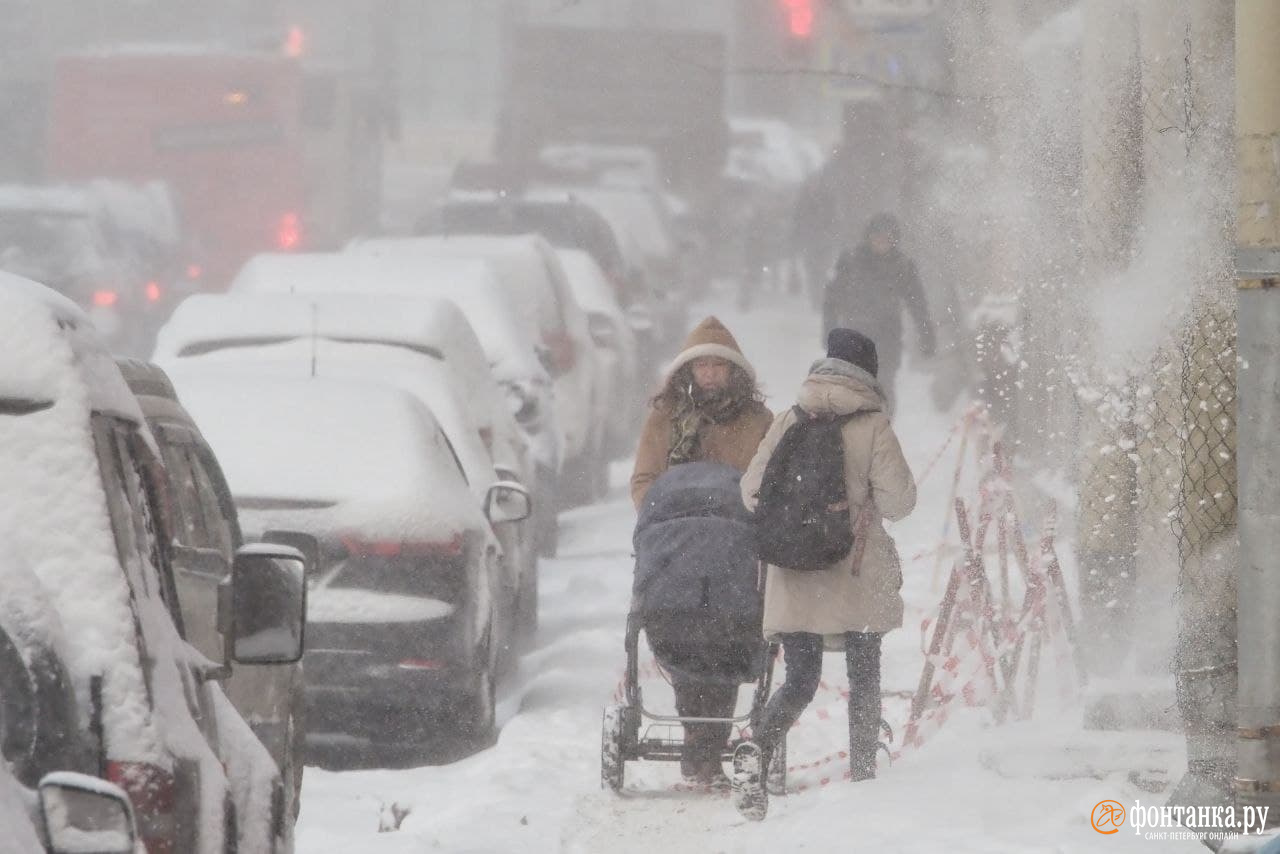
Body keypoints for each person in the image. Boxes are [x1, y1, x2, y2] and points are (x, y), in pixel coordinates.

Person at [738, 328, 917, 797]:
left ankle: (755, 753)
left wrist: (799, 522)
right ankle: (863, 776)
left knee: (800, 679)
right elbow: (900, 501)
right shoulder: (873, 426)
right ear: (869, 376)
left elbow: (751, 491)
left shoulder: (789, 419)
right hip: (854, 572)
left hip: (796, 568)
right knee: (864, 673)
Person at [631, 315, 773, 784]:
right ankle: (702, 745)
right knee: (685, 636)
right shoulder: (665, 419)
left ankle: (705, 748)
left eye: (719, 366)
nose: (710, 374)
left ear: (734, 371)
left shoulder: (757, 422)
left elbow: (767, 481)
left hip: (735, 550)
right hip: (677, 550)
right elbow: (644, 481)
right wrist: (664, 515)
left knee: (728, 640)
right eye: (702, 366)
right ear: (688, 371)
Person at [822, 213, 936, 408]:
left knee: (884, 386)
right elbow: (832, 299)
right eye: (877, 237)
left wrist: (927, 334)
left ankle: (883, 429)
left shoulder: (903, 266)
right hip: (855, 335)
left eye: (887, 238)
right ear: (868, 237)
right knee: (853, 387)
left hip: (888, 335)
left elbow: (918, 304)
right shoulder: (851, 260)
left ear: (894, 240)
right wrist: (829, 330)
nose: (882, 242)